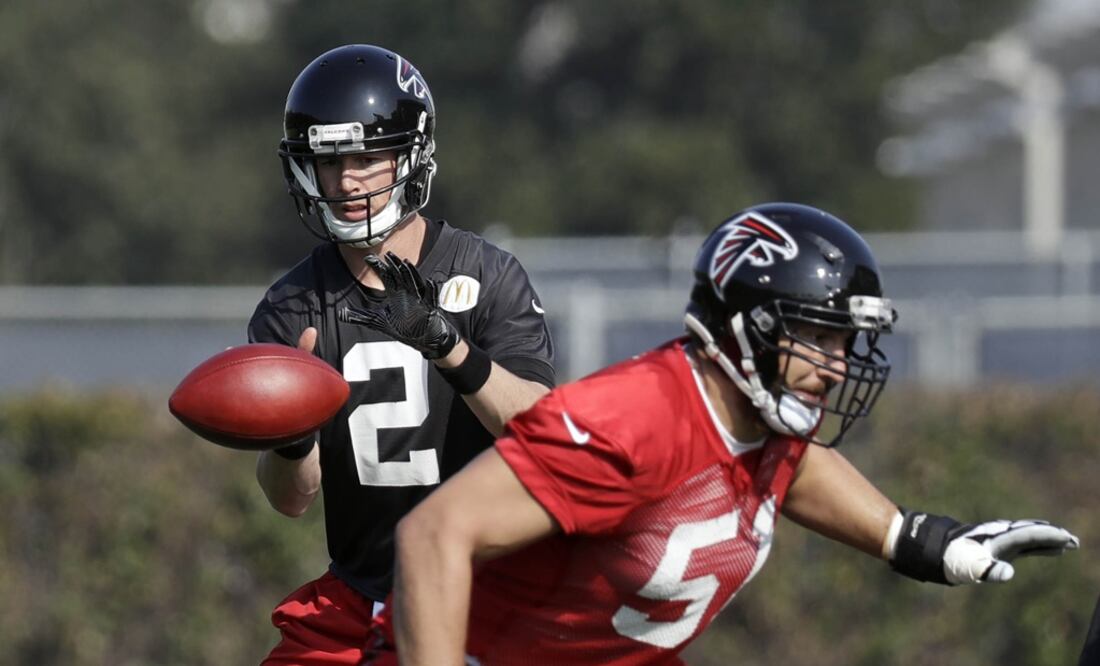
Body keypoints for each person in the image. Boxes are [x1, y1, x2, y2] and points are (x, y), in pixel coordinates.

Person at [389, 202, 1079, 665]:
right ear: (748, 329)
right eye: (816, 339)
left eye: (844, 343)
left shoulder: (758, 414)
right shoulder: (635, 421)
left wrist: (915, 538)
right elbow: (432, 537)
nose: (835, 367)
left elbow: (787, 465)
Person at [247, 44, 555, 665]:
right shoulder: (292, 307)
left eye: (367, 156)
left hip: (489, 592)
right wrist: (293, 438)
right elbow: (291, 499)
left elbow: (545, 434)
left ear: (410, 156)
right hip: (359, 596)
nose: (348, 179)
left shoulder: (487, 276)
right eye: (331, 161)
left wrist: (450, 348)